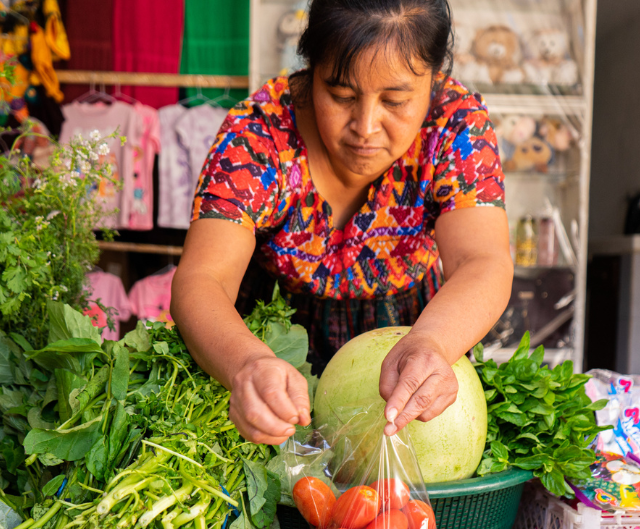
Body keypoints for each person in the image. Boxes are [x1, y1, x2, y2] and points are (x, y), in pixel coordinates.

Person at [171, 0, 513, 445]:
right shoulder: (258, 134)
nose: (365, 127)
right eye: (342, 96)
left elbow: (482, 260)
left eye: (395, 100)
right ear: (310, 71)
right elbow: (203, 278)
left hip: (417, 330)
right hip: (269, 339)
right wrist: (246, 364)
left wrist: (432, 344)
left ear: (434, 80)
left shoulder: (455, 124)